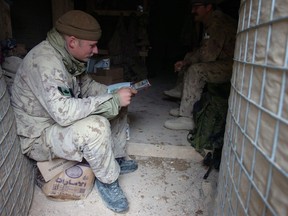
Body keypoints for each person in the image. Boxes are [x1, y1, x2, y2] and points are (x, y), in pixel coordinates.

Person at [10, 10, 138, 213]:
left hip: (57, 122)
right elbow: (64, 113)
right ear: (72, 42)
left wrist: (115, 93)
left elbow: (87, 87)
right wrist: (110, 99)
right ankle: (107, 182)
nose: (96, 51)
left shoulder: (67, 57)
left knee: (118, 102)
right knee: (96, 126)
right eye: (92, 45)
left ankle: (115, 158)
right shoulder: (46, 62)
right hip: (40, 136)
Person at [163, 0, 237, 130]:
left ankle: (187, 117)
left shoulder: (217, 23)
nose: (193, 11)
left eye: (196, 7)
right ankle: (183, 101)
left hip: (231, 66)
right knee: (188, 58)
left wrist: (189, 62)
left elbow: (208, 56)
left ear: (208, 7)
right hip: (222, 61)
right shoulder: (210, 21)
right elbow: (204, 50)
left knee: (196, 70)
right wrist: (187, 60)